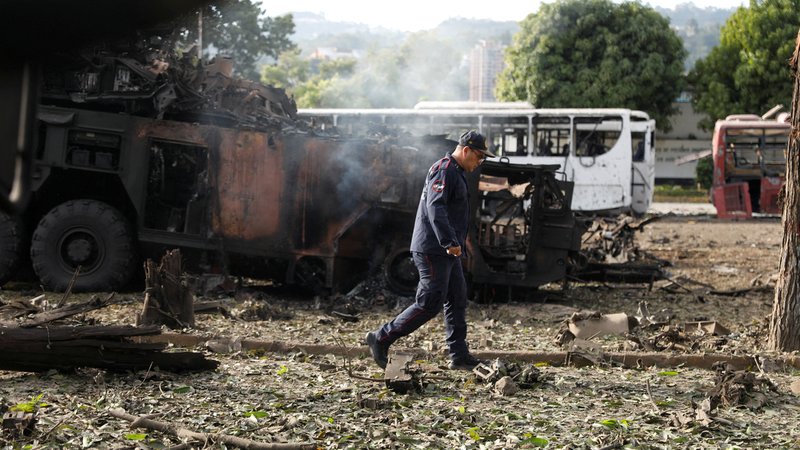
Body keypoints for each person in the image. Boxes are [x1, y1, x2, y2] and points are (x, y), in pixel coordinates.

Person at [365, 130, 496, 370]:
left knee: (457, 298)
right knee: (429, 303)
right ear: (466, 150)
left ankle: (459, 356)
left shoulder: (456, 172)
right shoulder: (444, 170)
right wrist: (449, 242)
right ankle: (381, 337)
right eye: (479, 156)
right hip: (434, 249)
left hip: (447, 250)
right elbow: (436, 207)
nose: (480, 162)